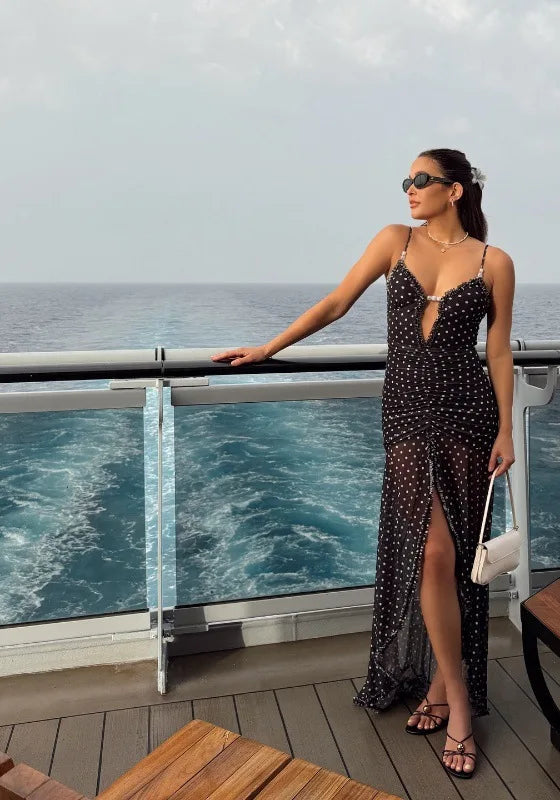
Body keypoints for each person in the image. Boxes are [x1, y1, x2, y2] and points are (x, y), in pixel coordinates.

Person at [211, 148, 515, 779]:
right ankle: (460, 703)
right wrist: (268, 347)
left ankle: (438, 688)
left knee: (457, 559)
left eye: (420, 180)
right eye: (407, 180)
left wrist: (507, 427)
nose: (409, 189)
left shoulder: (495, 263)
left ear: (454, 191)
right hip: (405, 413)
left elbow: (498, 348)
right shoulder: (394, 241)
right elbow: (336, 302)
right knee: (432, 552)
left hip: (468, 412)